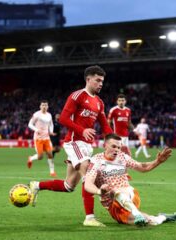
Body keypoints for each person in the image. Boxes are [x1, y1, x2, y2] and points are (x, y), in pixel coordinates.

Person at [29, 65, 113, 227]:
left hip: (87, 146)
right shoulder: (77, 96)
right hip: (74, 142)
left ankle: (37, 185)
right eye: (98, 80)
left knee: (69, 186)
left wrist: (113, 142)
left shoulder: (99, 103)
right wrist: (82, 130)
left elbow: (105, 126)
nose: (101, 83)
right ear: (88, 79)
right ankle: (89, 218)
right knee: (89, 174)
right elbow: (63, 119)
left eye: (102, 81)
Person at [84, 133, 176, 226]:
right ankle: (162, 217)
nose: (117, 150)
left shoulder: (122, 157)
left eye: (119, 147)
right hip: (113, 205)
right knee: (147, 222)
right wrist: (99, 191)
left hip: (130, 194)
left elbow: (142, 167)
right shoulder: (96, 160)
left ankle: (136, 213)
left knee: (115, 190)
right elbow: (88, 184)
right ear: (104, 145)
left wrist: (158, 161)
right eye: (113, 146)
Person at [27, 100, 56, 177]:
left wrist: (51, 131)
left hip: (46, 138)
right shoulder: (36, 114)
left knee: (50, 154)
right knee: (40, 157)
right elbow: (30, 124)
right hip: (38, 138)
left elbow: (51, 124)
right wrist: (36, 130)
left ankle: (52, 171)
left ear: (47, 106)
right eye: (43, 105)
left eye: (45, 105)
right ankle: (31, 158)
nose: (44, 107)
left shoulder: (49, 115)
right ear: (40, 106)